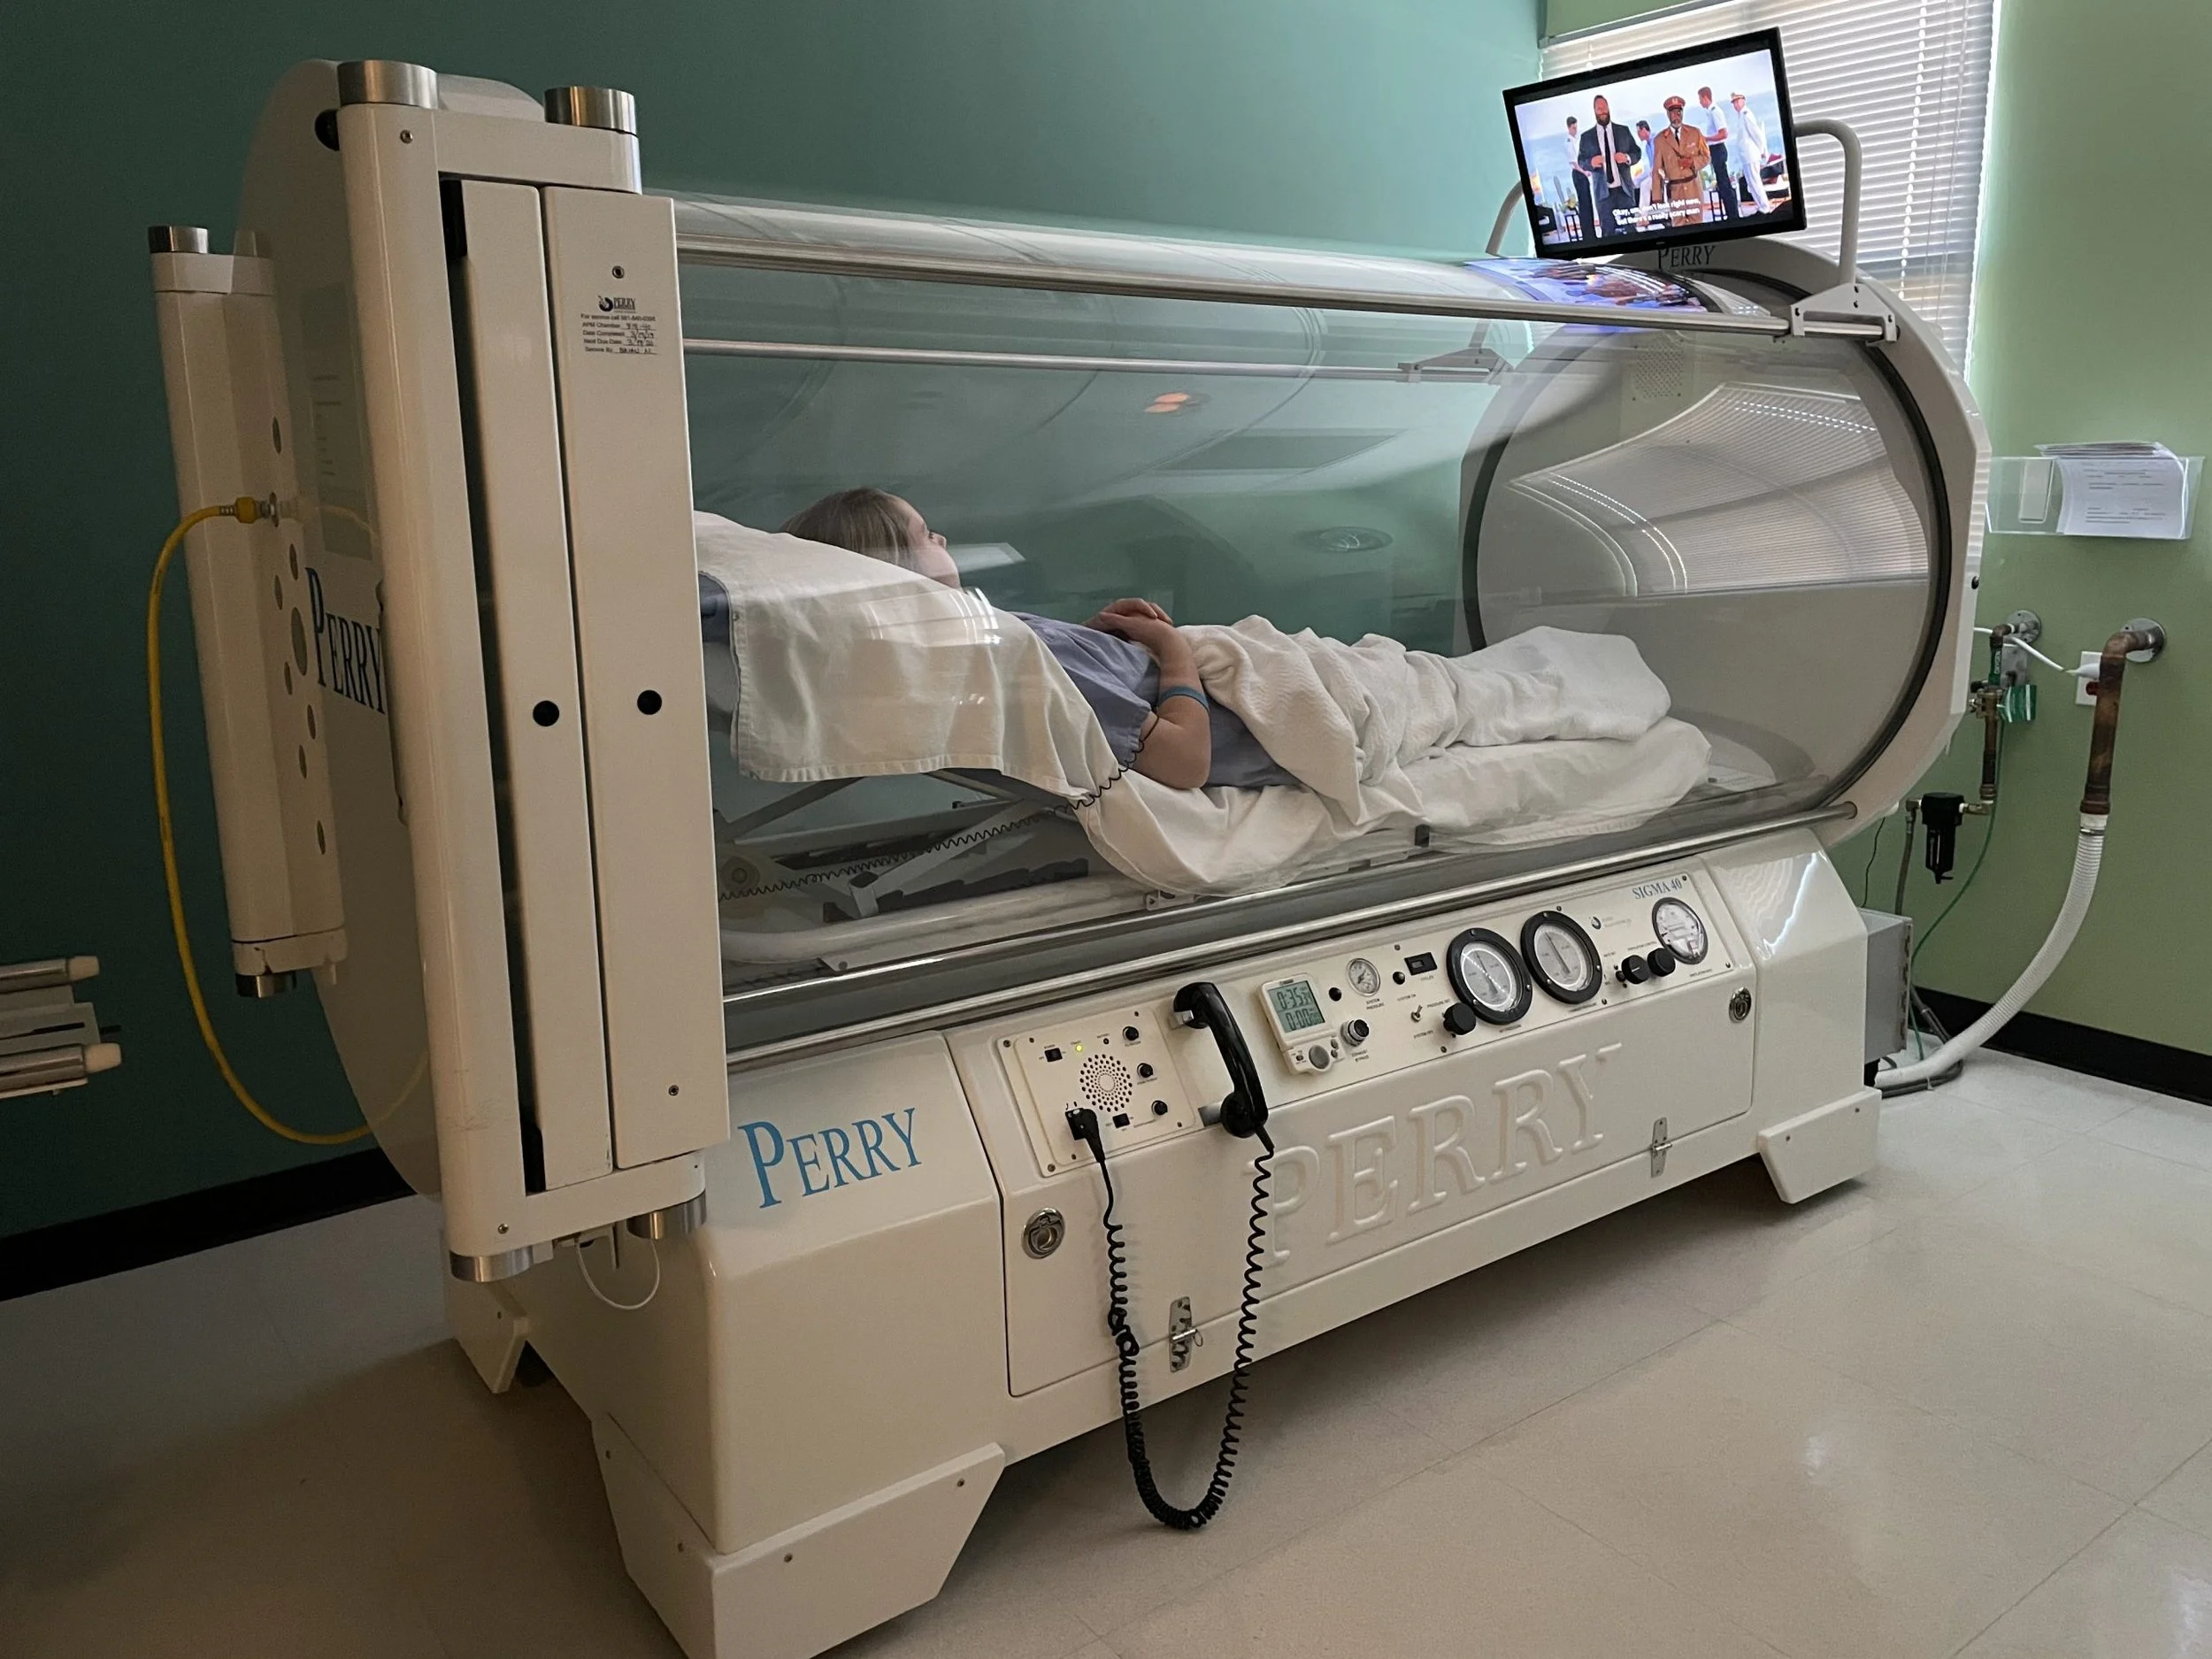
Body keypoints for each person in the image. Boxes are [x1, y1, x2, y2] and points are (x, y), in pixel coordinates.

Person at [776, 488, 1291, 791]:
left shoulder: (972, 652)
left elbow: (1078, 696)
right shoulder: (1002, 658)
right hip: (1269, 719)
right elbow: (1185, 763)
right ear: (891, 570)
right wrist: (1174, 650)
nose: (942, 539)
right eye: (924, 534)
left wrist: (1092, 644)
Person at [1575, 95, 1640, 242]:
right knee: (1608, 234)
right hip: (1603, 195)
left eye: (1604, 108)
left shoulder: (1623, 131)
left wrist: (1627, 158)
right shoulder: (1586, 137)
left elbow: (1637, 152)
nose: (1603, 111)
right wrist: (1591, 162)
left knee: (1632, 232)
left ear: (1609, 108)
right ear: (1594, 111)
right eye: (1599, 109)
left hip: (1624, 191)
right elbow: (1581, 161)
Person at [1651, 96, 1711, 227]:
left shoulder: (1695, 133)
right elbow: (1656, 170)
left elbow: (1706, 157)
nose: (1676, 116)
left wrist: (1693, 162)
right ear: (1668, 114)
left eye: (1679, 112)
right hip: (1675, 191)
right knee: (1678, 227)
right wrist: (1657, 198)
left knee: (1698, 226)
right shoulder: (1660, 140)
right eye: (1673, 112)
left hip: (1694, 188)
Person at [1727, 92, 1777, 215]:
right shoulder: (1741, 116)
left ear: (1743, 101)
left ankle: (1765, 207)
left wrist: (1762, 151)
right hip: (1746, 156)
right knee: (1751, 183)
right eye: (1734, 102)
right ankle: (1761, 206)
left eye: (1737, 101)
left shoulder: (1746, 114)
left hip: (1751, 155)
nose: (1736, 105)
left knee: (1755, 182)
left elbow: (1756, 134)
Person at [1694, 87, 1737, 222]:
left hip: (1718, 149)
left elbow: (1723, 133)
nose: (1700, 102)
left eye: (1700, 99)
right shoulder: (1710, 112)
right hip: (1714, 150)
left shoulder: (1715, 111)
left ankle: (1733, 216)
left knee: (1724, 184)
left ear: (1705, 97)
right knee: (1722, 184)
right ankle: (1731, 214)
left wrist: (1706, 139)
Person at [1563, 116, 1596, 244]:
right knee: (1584, 204)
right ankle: (1587, 235)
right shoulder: (1568, 142)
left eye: (1576, 127)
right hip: (1578, 174)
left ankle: (1591, 233)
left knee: (1588, 203)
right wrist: (1585, 172)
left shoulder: (1577, 140)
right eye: (1573, 128)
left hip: (1583, 173)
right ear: (1568, 127)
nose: (1575, 130)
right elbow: (1574, 163)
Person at [1632, 120, 1658, 226]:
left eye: (1639, 132)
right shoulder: (1647, 146)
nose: (1638, 135)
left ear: (1644, 130)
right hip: (1654, 172)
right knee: (1636, 182)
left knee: (1644, 185)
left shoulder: (1656, 140)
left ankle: (1643, 218)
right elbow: (1651, 165)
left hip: (1662, 173)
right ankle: (1637, 215)